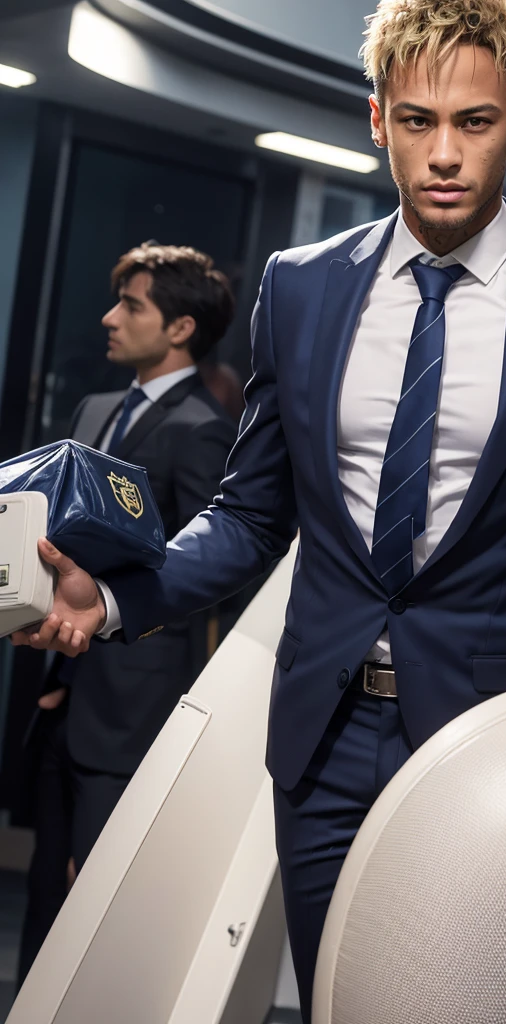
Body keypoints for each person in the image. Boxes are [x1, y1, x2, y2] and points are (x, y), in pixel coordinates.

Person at [12, 1, 506, 1018]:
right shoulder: (302, 287)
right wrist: (108, 595)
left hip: (469, 736)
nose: (444, 153)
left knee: (452, 998)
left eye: (474, 122)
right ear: (377, 122)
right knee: (338, 995)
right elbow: (246, 514)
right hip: (317, 737)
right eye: (416, 121)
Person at [17, 243, 239, 984]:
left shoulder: (205, 428)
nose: (110, 318)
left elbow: (206, 570)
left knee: (98, 900)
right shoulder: (96, 408)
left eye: (132, 306)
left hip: (133, 698)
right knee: (45, 892)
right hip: (64, 682)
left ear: (180, 328)